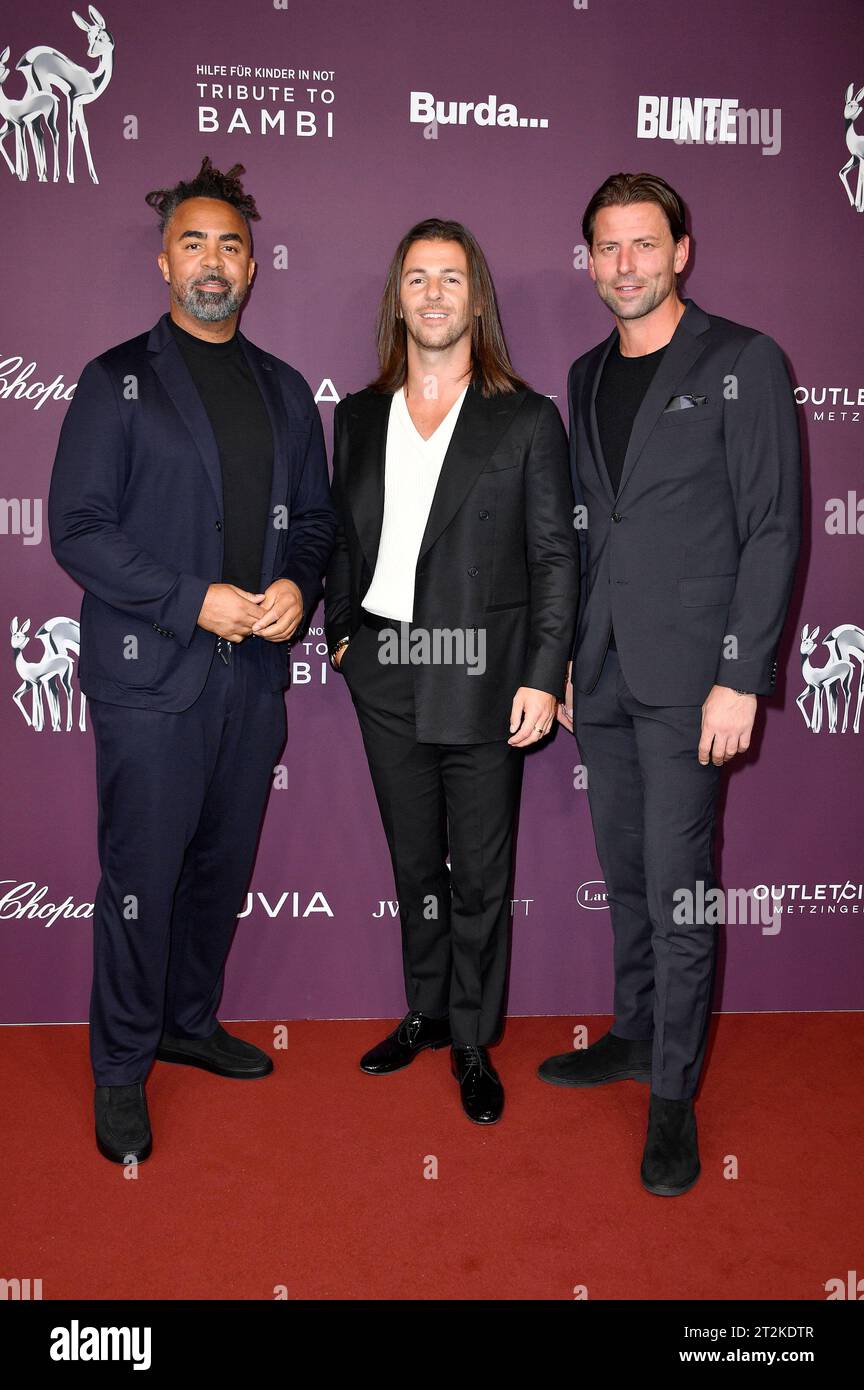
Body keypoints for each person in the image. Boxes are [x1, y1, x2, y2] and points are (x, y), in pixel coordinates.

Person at [48, 156, 336, 1163]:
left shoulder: (286, 390)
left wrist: (301, 585)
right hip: (149, 678)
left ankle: (186, 1019)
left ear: (253, 267)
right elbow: (77, 528)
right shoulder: (116, 379)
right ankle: (122, 1068)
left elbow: (315, 523)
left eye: (229, 245)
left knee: (218, 869)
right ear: (166, 263)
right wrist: (190, 598)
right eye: (192, 242)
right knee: (139, 876)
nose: (211, 261)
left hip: (253, 680)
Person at [539, 172, 800, 1195]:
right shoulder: (584, 372)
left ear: (682, 250)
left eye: (644, 245)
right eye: (606, 248)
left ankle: (674, 1099)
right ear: (589, 261)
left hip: (696, 681)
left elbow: (773, 528)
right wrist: (564, 654)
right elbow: (588, 528)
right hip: (602, 672)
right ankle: (640, 1033)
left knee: (682, 886)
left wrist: (742, 676)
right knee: (633, 875)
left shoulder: (744, 360)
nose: (625, 266)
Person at [325, 218, 578, 1124]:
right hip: (385, 662)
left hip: (481, 667)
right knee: (411, 863)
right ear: (399, 296)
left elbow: (556, 558)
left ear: (478, 299)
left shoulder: (525, 416)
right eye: (418, 277)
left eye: (452, 278)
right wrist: (343, 636)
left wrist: (544, 674)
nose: (434, 293)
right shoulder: (357, 415)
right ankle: (426, 1012)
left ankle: (471, 1036)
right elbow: (343, 541)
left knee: (478, 870)